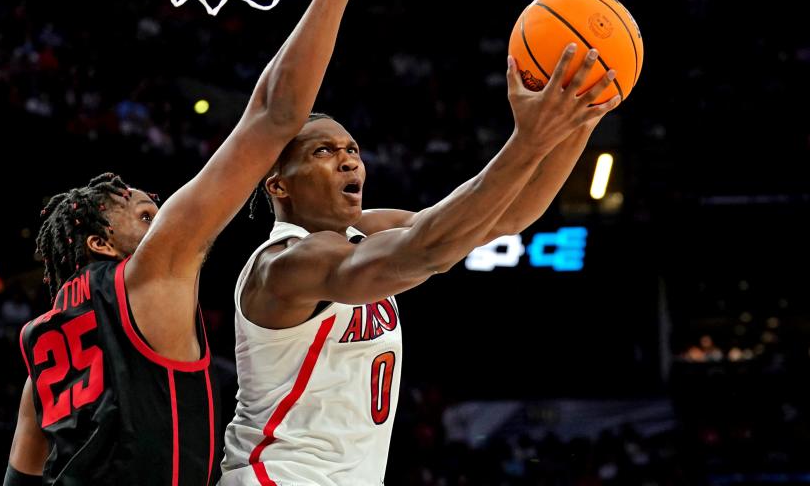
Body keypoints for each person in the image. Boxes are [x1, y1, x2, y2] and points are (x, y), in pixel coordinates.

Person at [4, 0, 418, 485]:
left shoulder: (42, 345)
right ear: (100, 243)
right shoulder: (153, 267)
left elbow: (21, 477)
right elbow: (275, 115)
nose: (153, 204)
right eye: (134, 207)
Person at [221, 45, 621, 484]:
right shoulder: (286, 264)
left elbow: (506, 218)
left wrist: (584, 118)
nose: (349, 159)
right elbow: (431, 251)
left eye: (352, 148)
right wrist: (527, 141)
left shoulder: (369, 231)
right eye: (323, 151)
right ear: (279, 185)